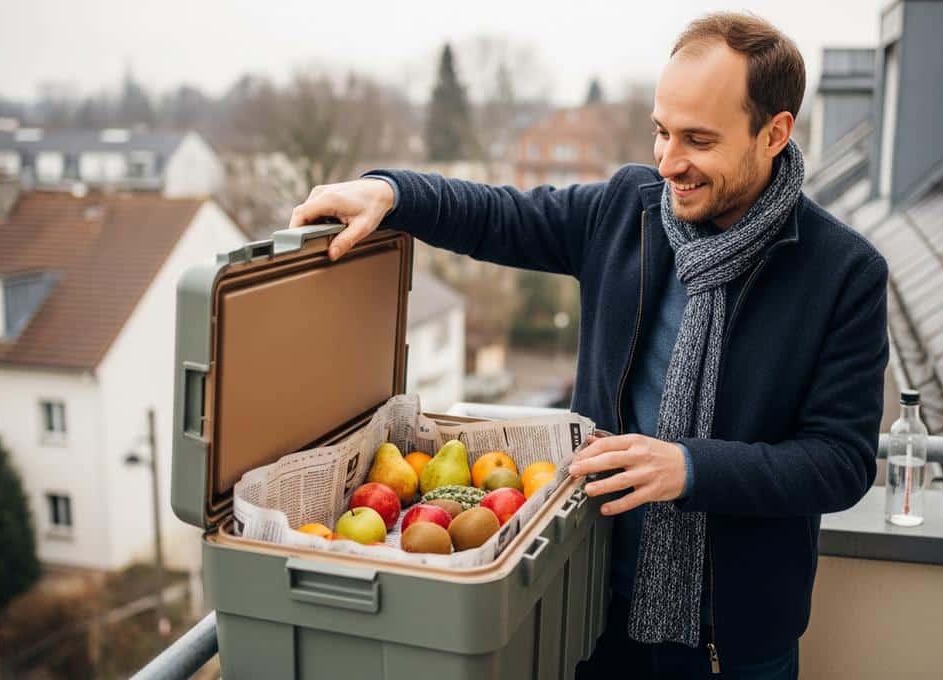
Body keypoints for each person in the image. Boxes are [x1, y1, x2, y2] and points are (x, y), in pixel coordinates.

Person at [289, 12, 888, 679]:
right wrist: (390, 190)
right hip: (593, 605)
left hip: (738, 643)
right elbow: (497, 214)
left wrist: (691, 468)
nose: (668, 162)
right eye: (662, 132)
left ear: (774, 132)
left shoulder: (845, 273)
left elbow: (841, 462)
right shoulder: (624, 210)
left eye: (697, 140)